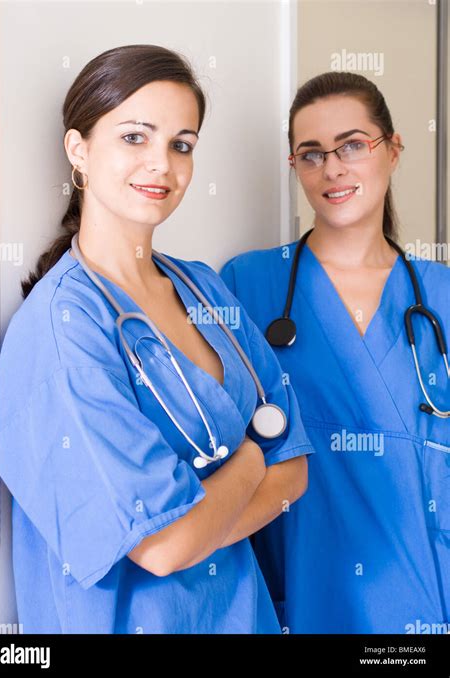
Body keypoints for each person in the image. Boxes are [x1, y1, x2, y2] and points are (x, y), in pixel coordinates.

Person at [0, 45, 314, 634]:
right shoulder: (64, 329)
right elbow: (164, 547)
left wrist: (202, 520)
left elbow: (293, 469)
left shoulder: (203, 288)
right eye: (135, 137)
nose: (162, 165)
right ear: (78, 150)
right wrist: (248, 462)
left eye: (181, 145)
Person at [220, 71, 450, 633]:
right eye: (312, 154)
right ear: (294, 165)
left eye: (352, 145)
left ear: (393, 150)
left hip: (425, 589)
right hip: (300, 586)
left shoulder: (440, 293)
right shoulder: (247, 285)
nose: (333, 168)